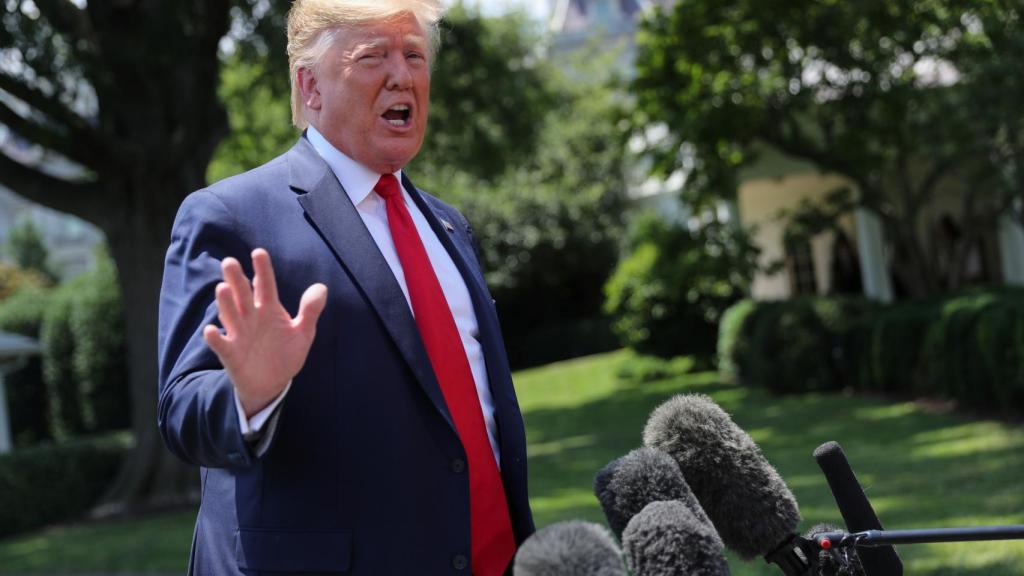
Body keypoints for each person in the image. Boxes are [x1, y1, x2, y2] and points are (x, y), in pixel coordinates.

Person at [156, 1, 535, 574]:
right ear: (310, 86)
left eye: (413, 55)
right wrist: (249, 396)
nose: (402, 75)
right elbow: (182, 408)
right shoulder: (233, 217)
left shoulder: (449, 225)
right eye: (372, 57)